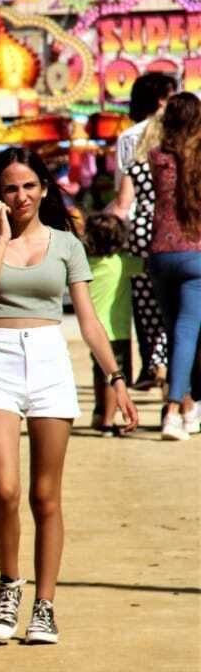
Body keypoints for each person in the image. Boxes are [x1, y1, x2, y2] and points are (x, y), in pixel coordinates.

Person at [0, 148, 137, 646]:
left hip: (47, 359)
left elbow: (88, 319)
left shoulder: (66, 244)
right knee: (5, 489)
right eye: (10, 188)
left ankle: (45, 604)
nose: (20, 196)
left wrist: (116, 379)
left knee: (45, 496)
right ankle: (9, 585)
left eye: (29, 186)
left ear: (43, 188)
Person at [115, 72, 177, 390]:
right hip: (177, 231)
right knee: (177, 303)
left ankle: (153, 362)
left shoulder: (129, 141)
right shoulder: (183, 143)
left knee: (146, 303)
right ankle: (165, 366)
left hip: (139, 232)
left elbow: (121, 201)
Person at [146, 92, 201, 440]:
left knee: (179, 332)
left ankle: (188, 405)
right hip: (196, 253)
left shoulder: (157, 157)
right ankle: (172, 410)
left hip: (161, 254)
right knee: (187, 333)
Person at [81, 212, 142, 435]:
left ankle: (99, 413)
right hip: (116, 331)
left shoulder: (86, 263)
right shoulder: (122, 263)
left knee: (99, 372)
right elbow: (147, 266)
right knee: (114, 376)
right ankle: (108, 421)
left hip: (92, 330)